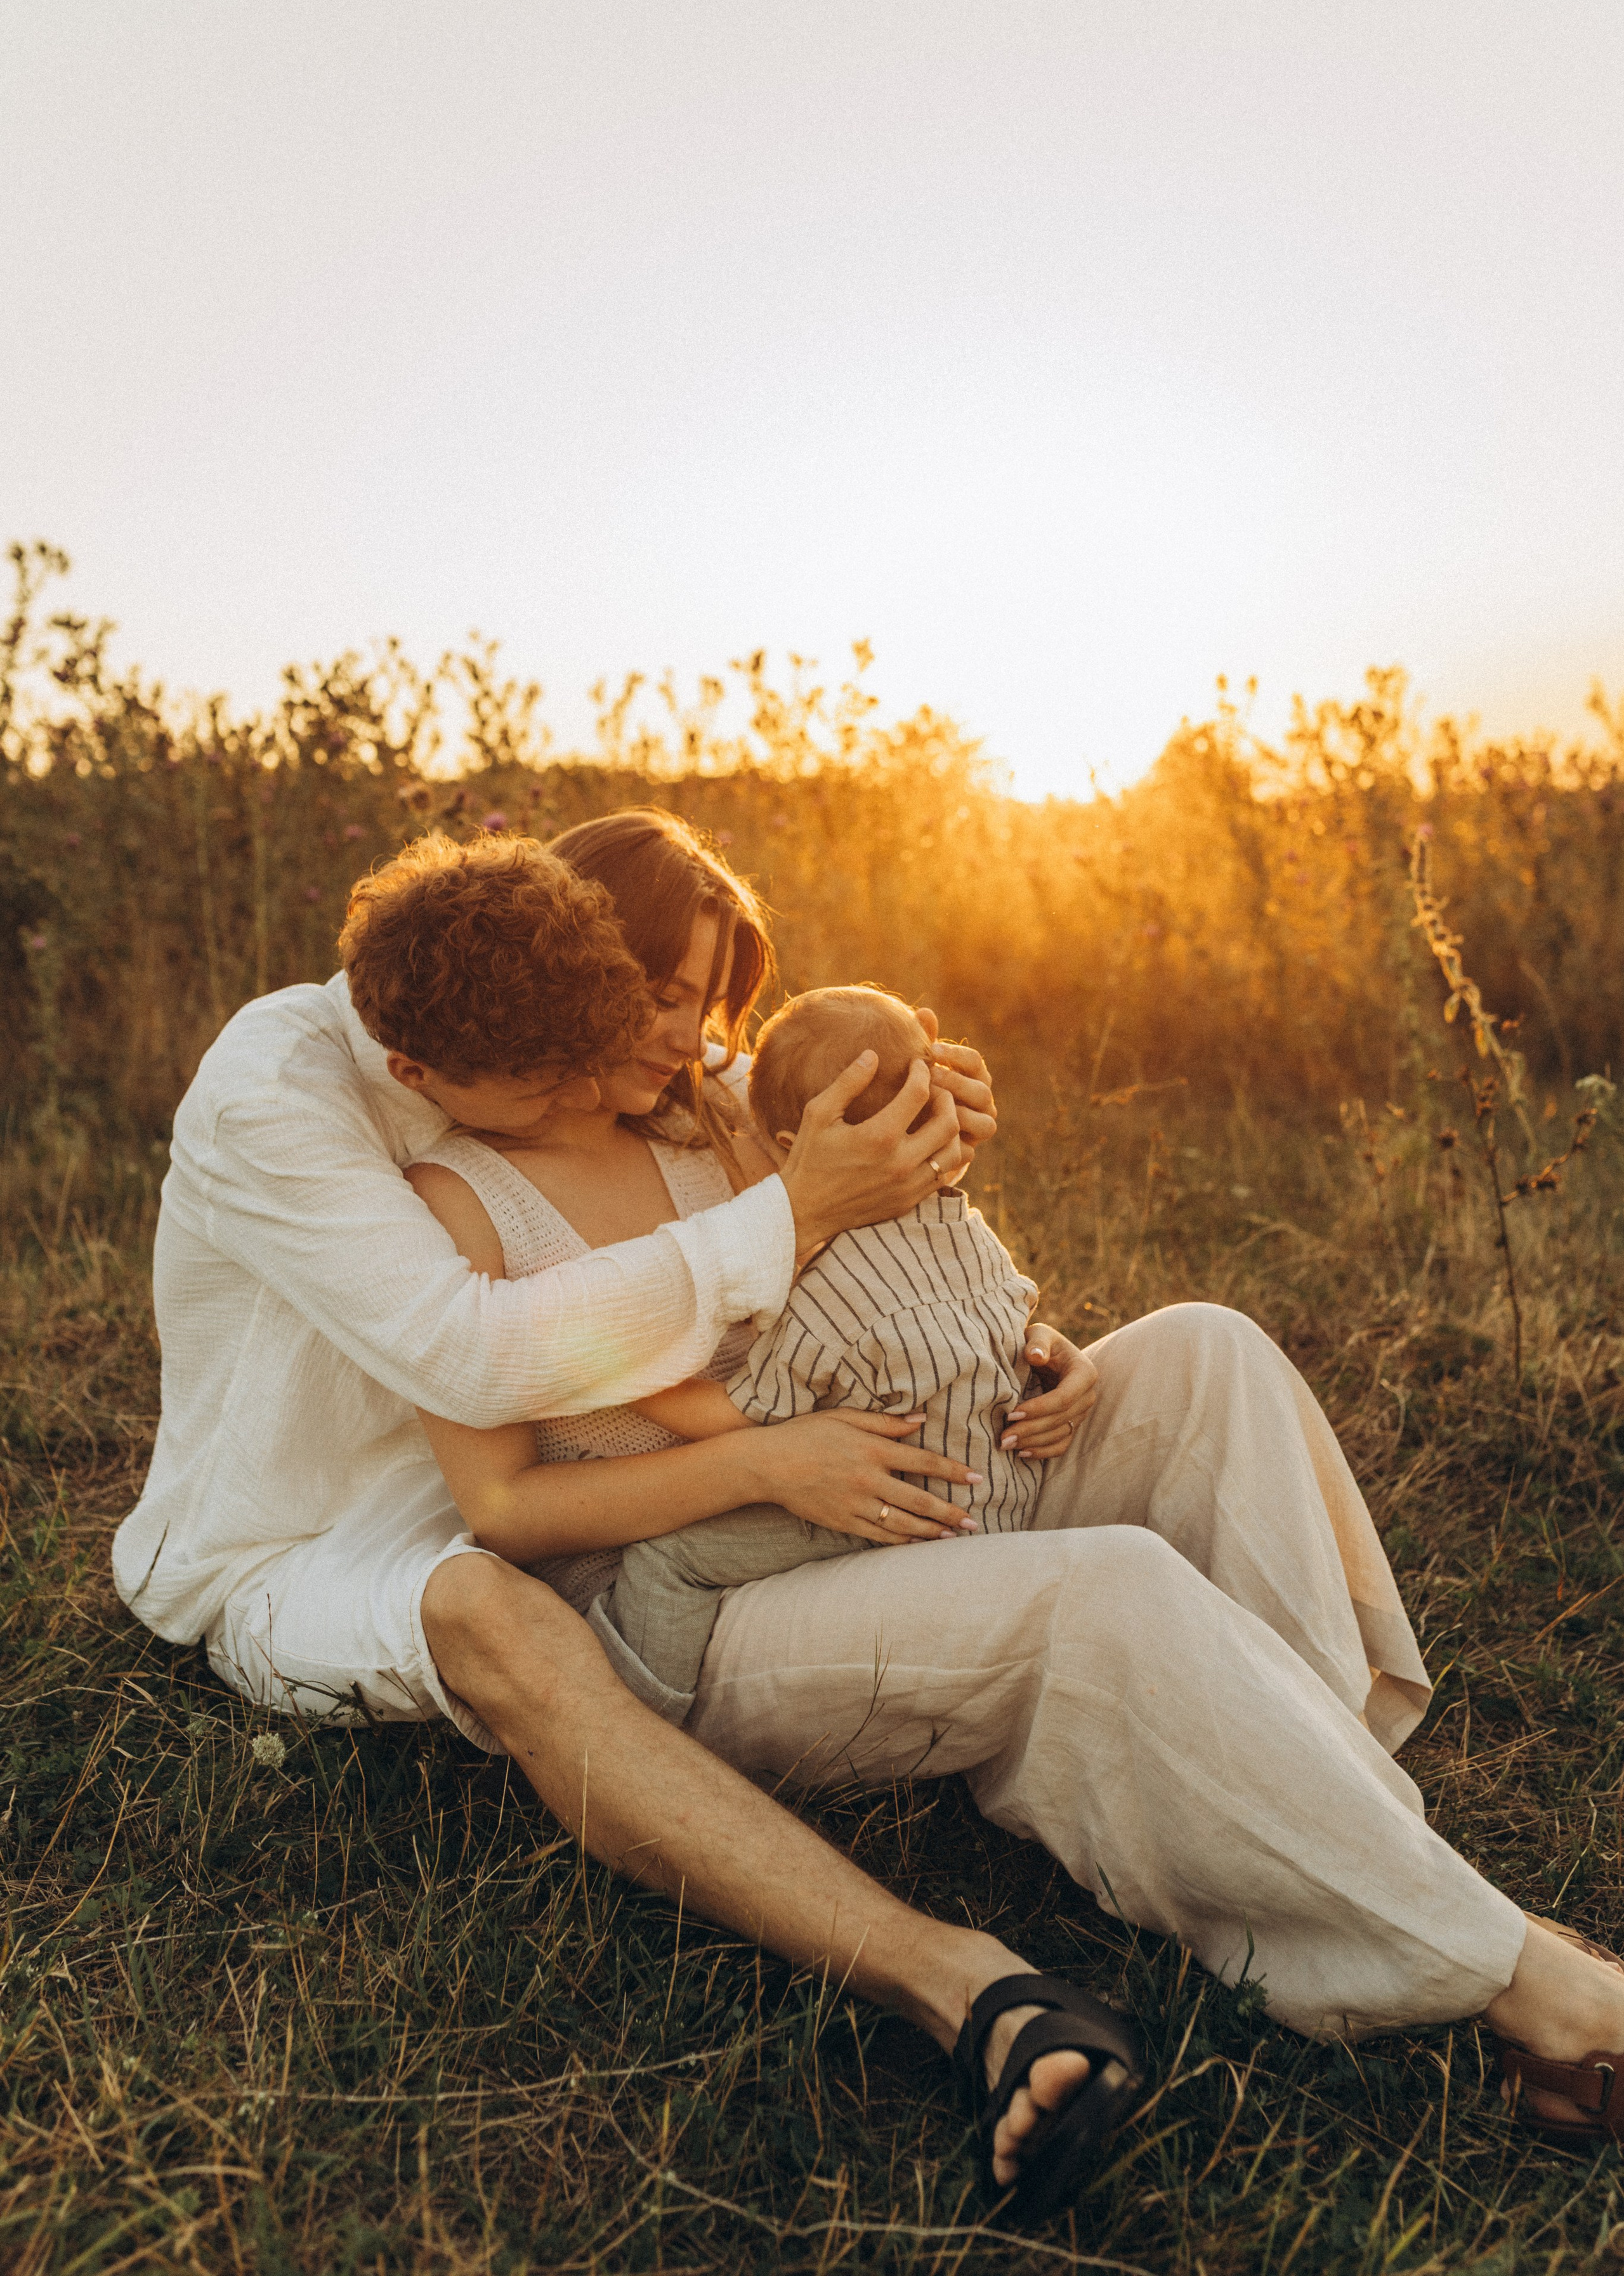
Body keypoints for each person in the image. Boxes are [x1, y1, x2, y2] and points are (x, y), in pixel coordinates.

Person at [405, 808, 1624, 2152]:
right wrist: (761, 1461)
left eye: (703, 999)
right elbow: (503, 1510)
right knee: (1093, 1591)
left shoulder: (714, 1109)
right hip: (711, 1603)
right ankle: (1520, 1982)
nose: (680, 1029)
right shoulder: (462, 1203)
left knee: (1205, 1353)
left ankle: (1334, 1821)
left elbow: (905, 1257)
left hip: (901, 1485)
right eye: (656, 991)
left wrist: (1029, 1350)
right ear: (569, 960)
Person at [112, 827, 1143, 2223]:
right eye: (550, 1086)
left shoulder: (560, 1018)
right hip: (311, 1540)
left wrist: (934, 1136)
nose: (597, 1092)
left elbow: (755, 1087)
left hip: (564, 1497)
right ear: (419, 1079)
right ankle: (955, 1984)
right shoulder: (275, 1098)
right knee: (489, 1611)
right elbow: (475, 1358)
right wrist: (775, 1352)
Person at [593, 984, 1047, 1720]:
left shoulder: (826, 1287)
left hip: (894, 1525)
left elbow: (738, 1416)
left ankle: (645, 1724)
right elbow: (1020, 1325)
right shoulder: (969, 1232)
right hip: (1003, 1500)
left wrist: (621, 1374)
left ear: (787, 1150)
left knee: (666, 1561)